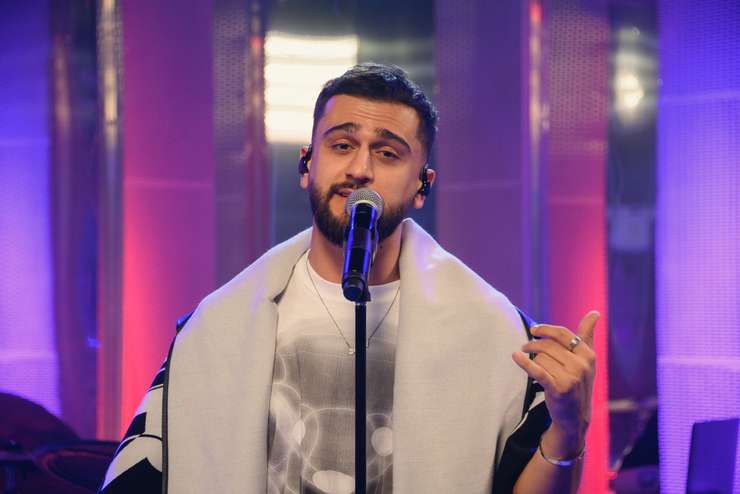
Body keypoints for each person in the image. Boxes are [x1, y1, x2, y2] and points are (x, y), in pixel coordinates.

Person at [99, 63, 598, 494]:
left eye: (387, 153)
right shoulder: (217, 328)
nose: (360, 168)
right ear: (306, 164)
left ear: (422, 186)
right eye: (342, 145)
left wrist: (568, 429)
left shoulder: (492, 330)